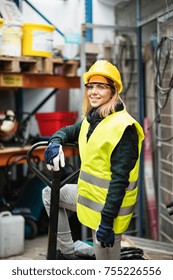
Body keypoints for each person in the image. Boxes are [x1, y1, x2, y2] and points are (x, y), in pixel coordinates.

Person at [43, 60, 144, 260]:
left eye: (101, 87)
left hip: (109, 211)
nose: (93, 92)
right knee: (50, 194)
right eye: (90, 86)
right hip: (89, 197)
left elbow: (119, 181)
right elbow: (67, 131)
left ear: (113, 91)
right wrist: (54, 143)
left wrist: (107, 222)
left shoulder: (124, 127)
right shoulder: (92, 119)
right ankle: (68, 253)